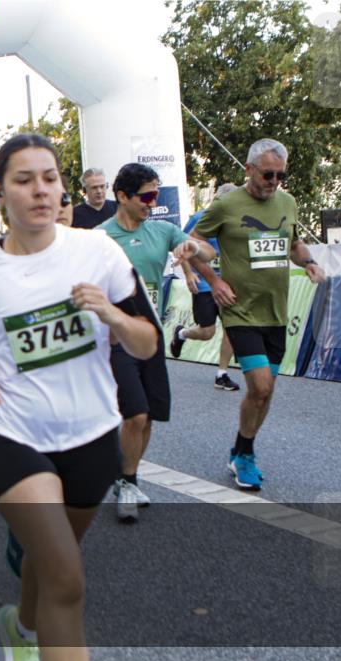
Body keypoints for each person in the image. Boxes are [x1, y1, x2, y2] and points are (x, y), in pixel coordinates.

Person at [0, 134, 157, 661]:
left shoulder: (96, 251)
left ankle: (21, 627)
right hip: (10, 432)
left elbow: (147, 343)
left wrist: (111, 314)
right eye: (23, 180)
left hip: (91, 435)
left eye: (49, 178)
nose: (40, 190)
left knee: (51, 557)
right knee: (66, 576)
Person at [188, 138, 326, 490]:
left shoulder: (288, 202)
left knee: (265, 393)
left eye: (280, 175)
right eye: (268, 174)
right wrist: (214, 281)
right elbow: (193, 246)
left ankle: (241, 449)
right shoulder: (226, 204)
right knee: (260, 385)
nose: (274, 181)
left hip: (276, 312)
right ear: (249, 169)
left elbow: (293, 244)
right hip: (240, 311)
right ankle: (246, 456)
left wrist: (309, 262)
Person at [97, 163, 215, 521]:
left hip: (151, 339)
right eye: (146, 195)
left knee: (147, 418)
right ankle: (127, 481)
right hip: (115, 340)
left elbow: (208, 253)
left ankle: (124, 477)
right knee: (136, 413)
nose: (152, 202)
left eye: (156, 195)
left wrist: (191, 248)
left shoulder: (162, 230)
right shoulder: (100, 238)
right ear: (122, 196)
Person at [170, 184, 241, 391]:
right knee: (207, 332)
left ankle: (222, 373)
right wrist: (189, 273)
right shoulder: (199, 218)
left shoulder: (236, 221)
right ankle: (181, 334)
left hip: (228, 283)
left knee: (231, 327)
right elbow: (181, 246)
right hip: (204, 284)